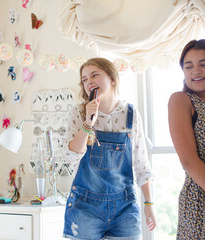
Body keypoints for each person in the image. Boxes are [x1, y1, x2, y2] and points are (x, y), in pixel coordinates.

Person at [62, 58, 156, 240]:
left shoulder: (131, 114)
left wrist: (149, 203)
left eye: (95, 75)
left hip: (125, 207)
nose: (89, 82)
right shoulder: (79, 112)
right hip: (85, 207)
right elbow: (71, 156)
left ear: (112, 79)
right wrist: (88, 123)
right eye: (84, 79)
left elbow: (141, 164)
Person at [168, 39, 205, 239]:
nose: (195, 71)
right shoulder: (181, 100)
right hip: (199, 199)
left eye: (203, 64)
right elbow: (189, 161)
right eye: (188, 66)